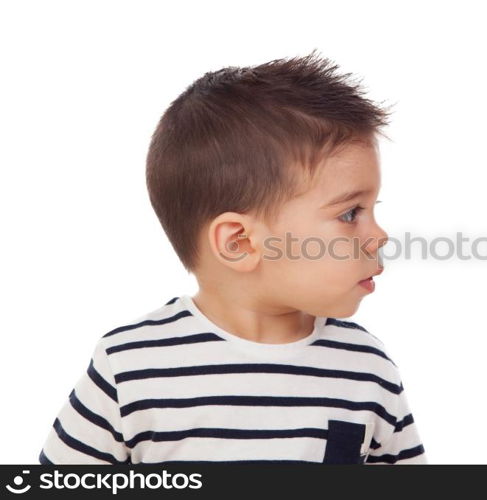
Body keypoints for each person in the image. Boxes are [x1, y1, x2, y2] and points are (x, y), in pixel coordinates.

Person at [38, 50, 427, 465]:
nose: (380, 236)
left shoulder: (367, 371)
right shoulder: (131, 368)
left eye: (372, 209)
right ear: (239, 242)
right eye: (350, 214)